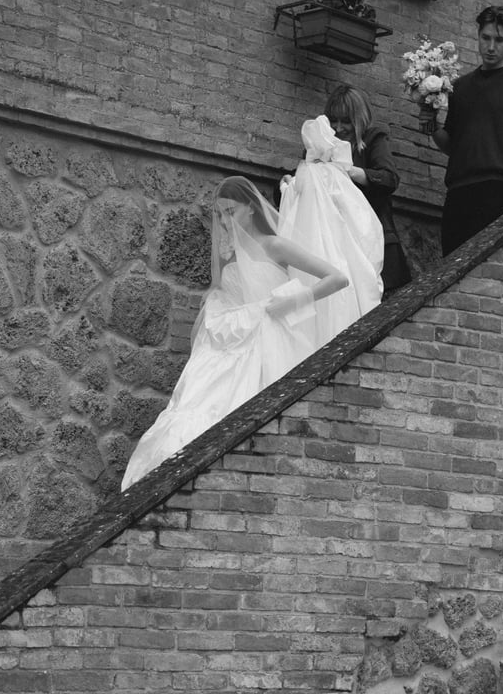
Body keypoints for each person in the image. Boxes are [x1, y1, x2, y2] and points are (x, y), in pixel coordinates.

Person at [121, 177, 348, 490]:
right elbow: (223, 292)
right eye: (220, 214)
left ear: (251, 208)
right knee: (196, 410)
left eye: (231, 212)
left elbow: (337, 278)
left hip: (270, 339)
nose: (225, 221)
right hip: (228, 342)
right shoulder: (228, 254)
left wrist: (294, 300)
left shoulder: (275, 245)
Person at [427, 5, 503, 255]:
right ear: (478, 35)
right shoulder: (460, 87)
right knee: (451, 263)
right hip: (459, 190)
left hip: (502, 189)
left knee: (490, 265)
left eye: (499, 40)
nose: (491, 47)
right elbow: (452, 145)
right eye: (486, 38)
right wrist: (430, 123)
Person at [278, 113, 384, 345]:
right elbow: (363, 223)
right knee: (341, 298)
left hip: (309, 247)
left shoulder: (305, 175)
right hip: (337, 248)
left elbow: (290, 213)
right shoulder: (336, 176)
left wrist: (287, 188)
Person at [324, 83, 412, 294]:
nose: (338, 128)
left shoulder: (374, 139)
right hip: (335, 245)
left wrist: (350, 171)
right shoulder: (322, 145)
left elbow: (389, 179)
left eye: (346, 121)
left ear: (359, 119)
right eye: (333, 121)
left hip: (374, 242)